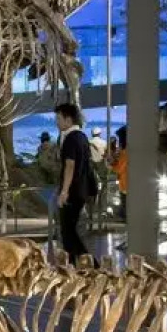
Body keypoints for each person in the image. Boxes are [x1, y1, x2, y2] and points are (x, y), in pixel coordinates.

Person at [55, 103, 97, 262]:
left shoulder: (71, 139)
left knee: (68, 232)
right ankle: (73, 263)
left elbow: (70, 165)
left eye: (59, 118)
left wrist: (64, 191)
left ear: (68, 119)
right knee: (69, 231)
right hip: (81, 190)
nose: (57, 122)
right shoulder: (82, 137)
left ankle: (92, 263)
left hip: (73, 191)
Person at [111, 125, 129, 221]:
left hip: (126, 184)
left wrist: (111, 164)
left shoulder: (125, 152)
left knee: (126, 210)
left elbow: (118, 169)